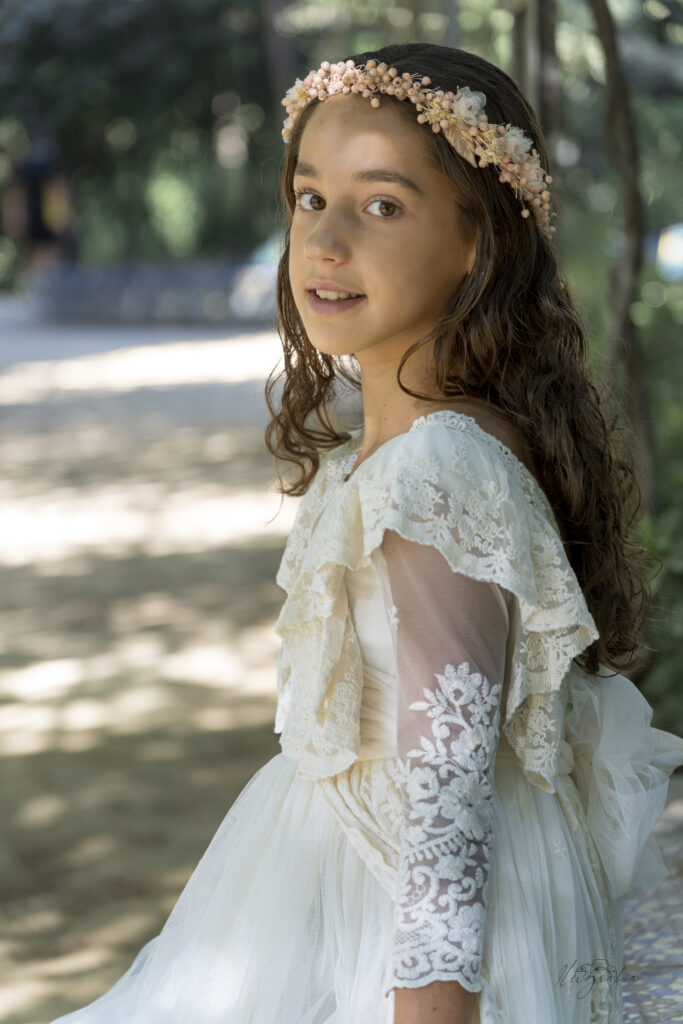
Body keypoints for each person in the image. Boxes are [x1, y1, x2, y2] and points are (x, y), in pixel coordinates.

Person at [50, 42, 683, 1024]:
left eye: (381, 205)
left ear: (479, 243)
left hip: (398, 944)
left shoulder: (436, 471)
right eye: (310, 198)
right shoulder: (410, 449)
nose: (326, 240)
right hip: (337, 888)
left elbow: (444, 810)